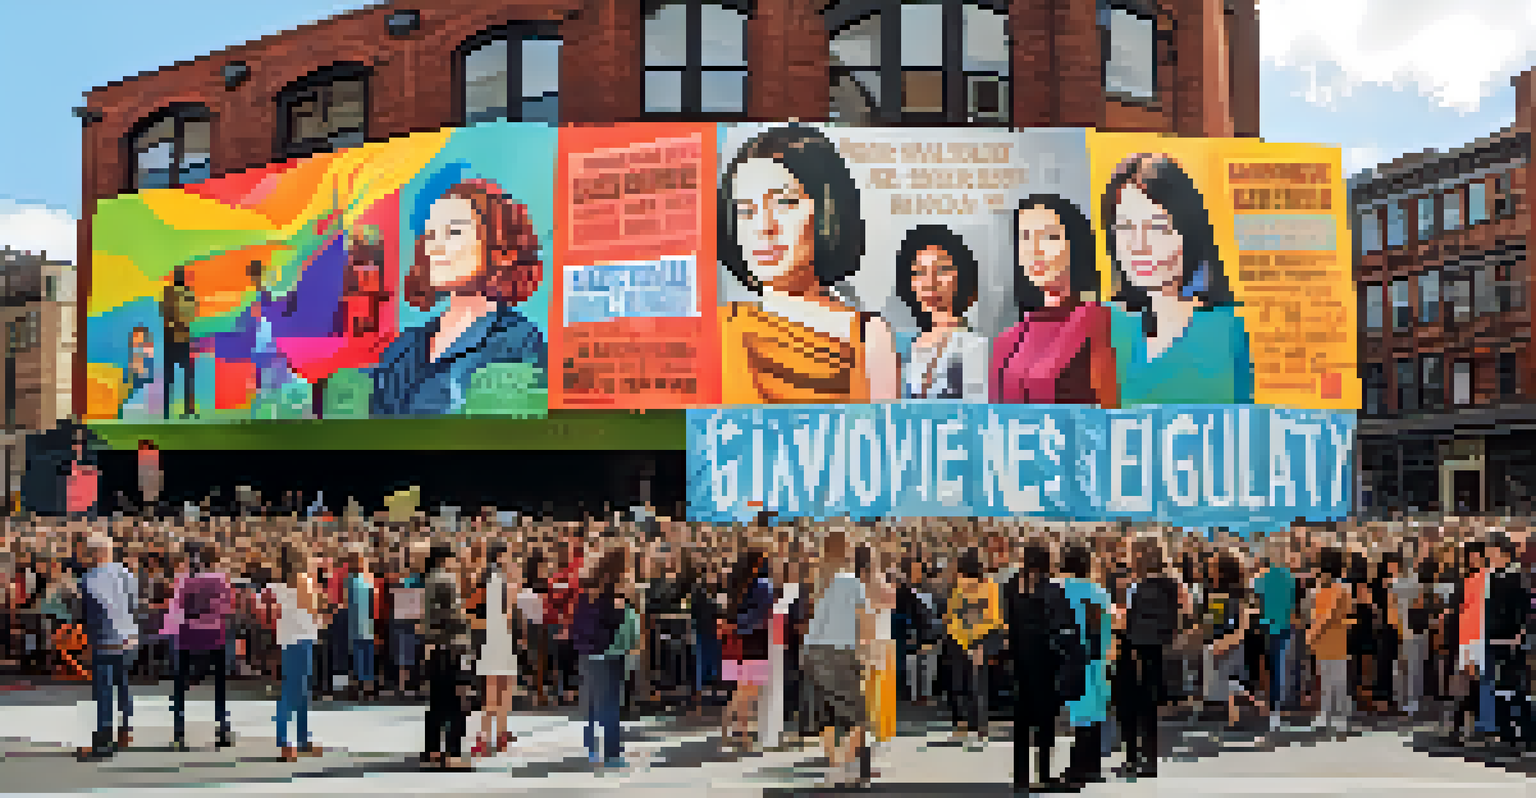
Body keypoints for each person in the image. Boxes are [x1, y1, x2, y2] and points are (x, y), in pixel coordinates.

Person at [718, 125, 898, 403]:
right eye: (745, 210)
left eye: (784, 202)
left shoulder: (867, 335)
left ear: (828, 209)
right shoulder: (719, 328)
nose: (763, 227)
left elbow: (876, 439)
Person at [371, 179, 547, 416]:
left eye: (453, 231)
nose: (435, 247)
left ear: (499, 243)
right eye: (431, 234)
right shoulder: (403, 346)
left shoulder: (518, 341)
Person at [1102, 153, 1253, 406]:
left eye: (1157, 228)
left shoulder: (1232, 327)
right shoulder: (1105, 323)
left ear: (1188, 231)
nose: (1138, 246)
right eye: (1125, 227)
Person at [991, 194, 1119, 407]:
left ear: (1074, 243)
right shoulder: (1007, 340)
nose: (1034, 250)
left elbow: (1109, 414)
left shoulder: (1097, 321)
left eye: (1049, 237)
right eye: (1025, 237)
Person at [803, 526, 873, 788]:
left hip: (813, 650)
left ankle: (835, 768)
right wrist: (865, 652)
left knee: (828, 717)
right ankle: (843, 765)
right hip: (840, 651)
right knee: (858, 717)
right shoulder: (851, 581)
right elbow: (864, 621)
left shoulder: (818, 578)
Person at [1006, 543, 1077, 792]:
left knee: (1021, 719)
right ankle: (1044, 773)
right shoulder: (1053, 589)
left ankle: (1020, 776)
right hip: (1046, 662)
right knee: (1046, 720)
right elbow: (1064, 628)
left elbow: (1006, 623)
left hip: (1019, 660)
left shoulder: (1012, 586)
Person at [890, 225, 987, 401]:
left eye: (941, 270)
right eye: (919, 272)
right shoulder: (902, 347)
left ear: (961, 275)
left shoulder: (974, 347)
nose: (930, 282)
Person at [1116, 540, 1183, 779]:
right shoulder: (1172, 585)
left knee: (1129, 706)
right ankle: (1150, 759)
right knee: (1150, 707)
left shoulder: (1136, 587)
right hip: (1161, 651)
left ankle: (1133, 757)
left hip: (1135, 652)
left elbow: (1127, 622)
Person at [161, 540, 233, 750]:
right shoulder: (222, 581)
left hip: (187, 635)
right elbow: (227, 608)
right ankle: (222, 729)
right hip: (214, 635)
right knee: (219, 686)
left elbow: (176, 609)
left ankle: (178, 732)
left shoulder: (184, 581)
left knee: (180, 685)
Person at [572, 547, 639, 768]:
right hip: (609, 653)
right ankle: (611, 752)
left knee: (591, 703)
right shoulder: (614, 594)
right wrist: (625, 604)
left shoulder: (585, 591)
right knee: (610, 704)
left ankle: (591, 748)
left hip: (586, 652)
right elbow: (615, 623)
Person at [77, 536, 138, 761]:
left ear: (95, 553)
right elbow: (133, 606)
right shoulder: (128, 575)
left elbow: (90, 616)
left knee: (103, 690)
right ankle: (125, 731)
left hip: (104, 640)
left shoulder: (87, 579)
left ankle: (103, 739)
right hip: (128, 638)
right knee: (123, 685)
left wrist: (87, 641)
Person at [263, 543, 322, 762]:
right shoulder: (303, 580)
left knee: (293, 690)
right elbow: (313, 608)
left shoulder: (277, 585)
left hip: (287, 638)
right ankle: (290, 741)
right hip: (302, 637)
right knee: (297, 692)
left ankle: (296, 739)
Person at [1060, 544, 1112, 787]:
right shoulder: (1099, 592)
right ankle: (1092, 766)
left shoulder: (1061, 590)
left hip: (1072, 658)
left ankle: (1078, 769)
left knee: (1080, 718)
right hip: (1096, 659)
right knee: (1093, 715)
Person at [945, 547, 1003, 750]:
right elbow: (995, 617)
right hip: (981, 639)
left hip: (959, 640)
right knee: (978, 684)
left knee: (959, 683)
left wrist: (962, 637)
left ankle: (962, 727)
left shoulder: (958, 587)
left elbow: (953, 615)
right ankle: (980, 728)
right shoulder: (991, 587)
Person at [422, 544, 471, 770]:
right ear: (445, 559)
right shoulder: (447, 580)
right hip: (452, 644)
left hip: (433, 644)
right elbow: (454, 613)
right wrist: (468, 621)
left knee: (437, 700)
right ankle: (452, 753)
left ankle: (431, 750)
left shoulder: (429, 579)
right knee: (457, 700)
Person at [721, 549, 775, 751]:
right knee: (749, 691)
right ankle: (742, 734)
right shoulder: (763, 585)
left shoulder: (735, 583)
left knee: (739, 689)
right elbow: (762, 614)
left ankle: (730, 728)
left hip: (733, 641)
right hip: (754, 642)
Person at [1484, 538, 1530, 745]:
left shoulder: (1517, 577)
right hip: (1494, 638)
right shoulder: (1492, 577)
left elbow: (1524, 609)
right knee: (1500, 687)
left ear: (1504, 553)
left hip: (1511, 640)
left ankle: (1527, 731)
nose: (1489, 556)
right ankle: (1505, 731)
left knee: (1516, 687)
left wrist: (1519, 633)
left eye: (1492, 552)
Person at [475, 543, 519, 756]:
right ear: (501, 556)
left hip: (489, 638)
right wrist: (514, 593)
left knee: (495, 689)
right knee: (500, 688)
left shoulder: (485, 577)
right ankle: (488, 736)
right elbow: (505, 615)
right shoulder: (499, 579)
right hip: (499, 637)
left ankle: (496, 734)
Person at [1306, 547, 1351, 738]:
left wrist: (1312, 634)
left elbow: (1324, 616)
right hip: (1337, 638)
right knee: (1334, 680)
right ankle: (1334, 716)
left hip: (1324, 639)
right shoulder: (1344, 588)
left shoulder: (1320, 589)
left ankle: (1330, 716)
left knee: (1328, 680)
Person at [161, 265, 199, 419]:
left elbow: (188, 314)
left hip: (175, 338)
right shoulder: (180, 294)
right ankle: (171, 411)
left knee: (180, 376)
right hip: (177, 338)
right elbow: (189, 314)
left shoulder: (170, 294)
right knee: (178, 376)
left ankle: (173, 411)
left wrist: (173, 321)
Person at [346, 548, 376, 701]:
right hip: (356, 626)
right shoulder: (350, 580)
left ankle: (367, 688)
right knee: (359, 658)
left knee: (366, 658)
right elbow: (349, 604)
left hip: (366, 625)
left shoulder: (368, 579)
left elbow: (373, 603)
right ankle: (360, 688)